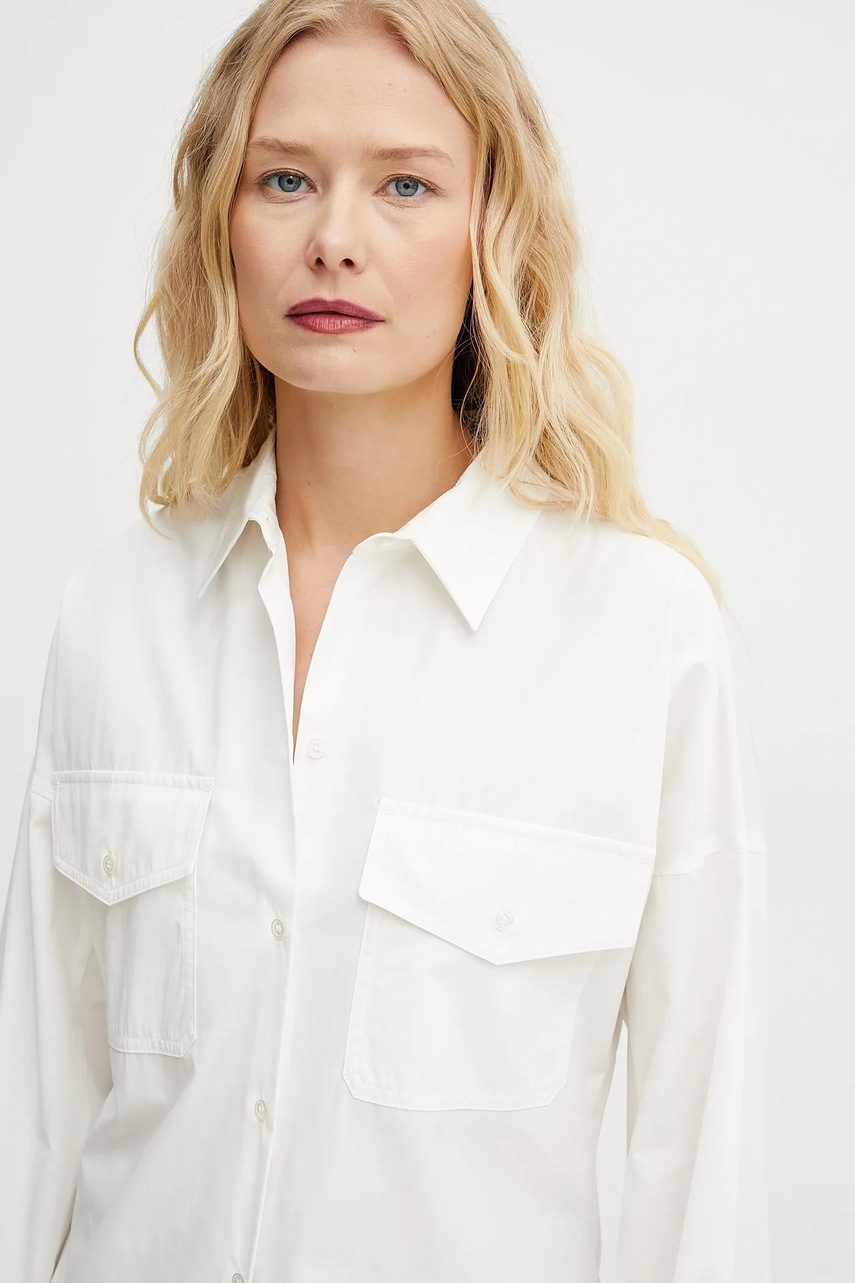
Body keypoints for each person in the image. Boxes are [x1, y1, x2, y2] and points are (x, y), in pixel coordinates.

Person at [0, 1, 770, 1280]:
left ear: (493, 228)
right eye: (284, 179)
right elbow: (32, 1114)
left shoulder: (646, 636)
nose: (335, 239)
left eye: (406, 184)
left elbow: (702, 1170)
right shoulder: (116, 610)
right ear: (221, 222)